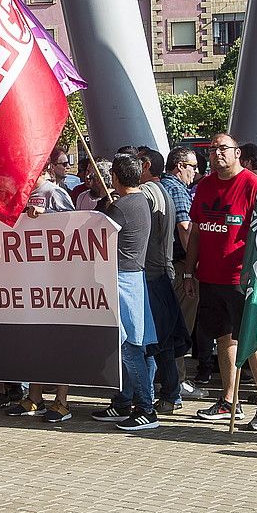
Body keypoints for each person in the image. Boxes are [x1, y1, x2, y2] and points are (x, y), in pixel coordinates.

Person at [187, 133, 257, 432]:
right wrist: (190, 271)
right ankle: (228, 400)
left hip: (241, 278)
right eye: (212, 150)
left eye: (222, 149)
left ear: (237, 153)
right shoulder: (205, 186)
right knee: (225, 339)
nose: (216, 154)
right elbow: (197, 231)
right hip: (210, 277)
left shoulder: (252, 184)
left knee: (251, 339)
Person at [89, 154, 160, 431]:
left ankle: (146, 408)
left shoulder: (120, 207)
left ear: (115, 178)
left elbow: (94, 234)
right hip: (134, 277)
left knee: (128, 347)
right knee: (131, 346)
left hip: (121, 279)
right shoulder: (141, 201)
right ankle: (124, 401)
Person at [6, 165, 76, 422]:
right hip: (30, 277)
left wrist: (46, 215)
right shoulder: (23, 193)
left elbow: (74, 227)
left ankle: (62, 401)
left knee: (57, 339)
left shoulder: (54, 192)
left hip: (54, 279)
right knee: (34, 339)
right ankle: (35, 397)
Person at [137, 147, 188, 415]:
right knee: (161, 339)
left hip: (153, 274)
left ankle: (168, 393)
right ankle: (168, 392)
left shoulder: (147, 194)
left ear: (145, 165)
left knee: (159, 341)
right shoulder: (162, 192)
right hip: (160, 271)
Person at [160, 147, 206, 398]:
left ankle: (169, 378)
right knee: (182, 323)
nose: (195, 172)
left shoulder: (158, 186)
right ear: (179, 166)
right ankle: (177, 380)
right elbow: (186, 228)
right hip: (180, 266)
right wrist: (193, 265)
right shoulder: (177, 190)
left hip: (165, 264)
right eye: (192, 166)